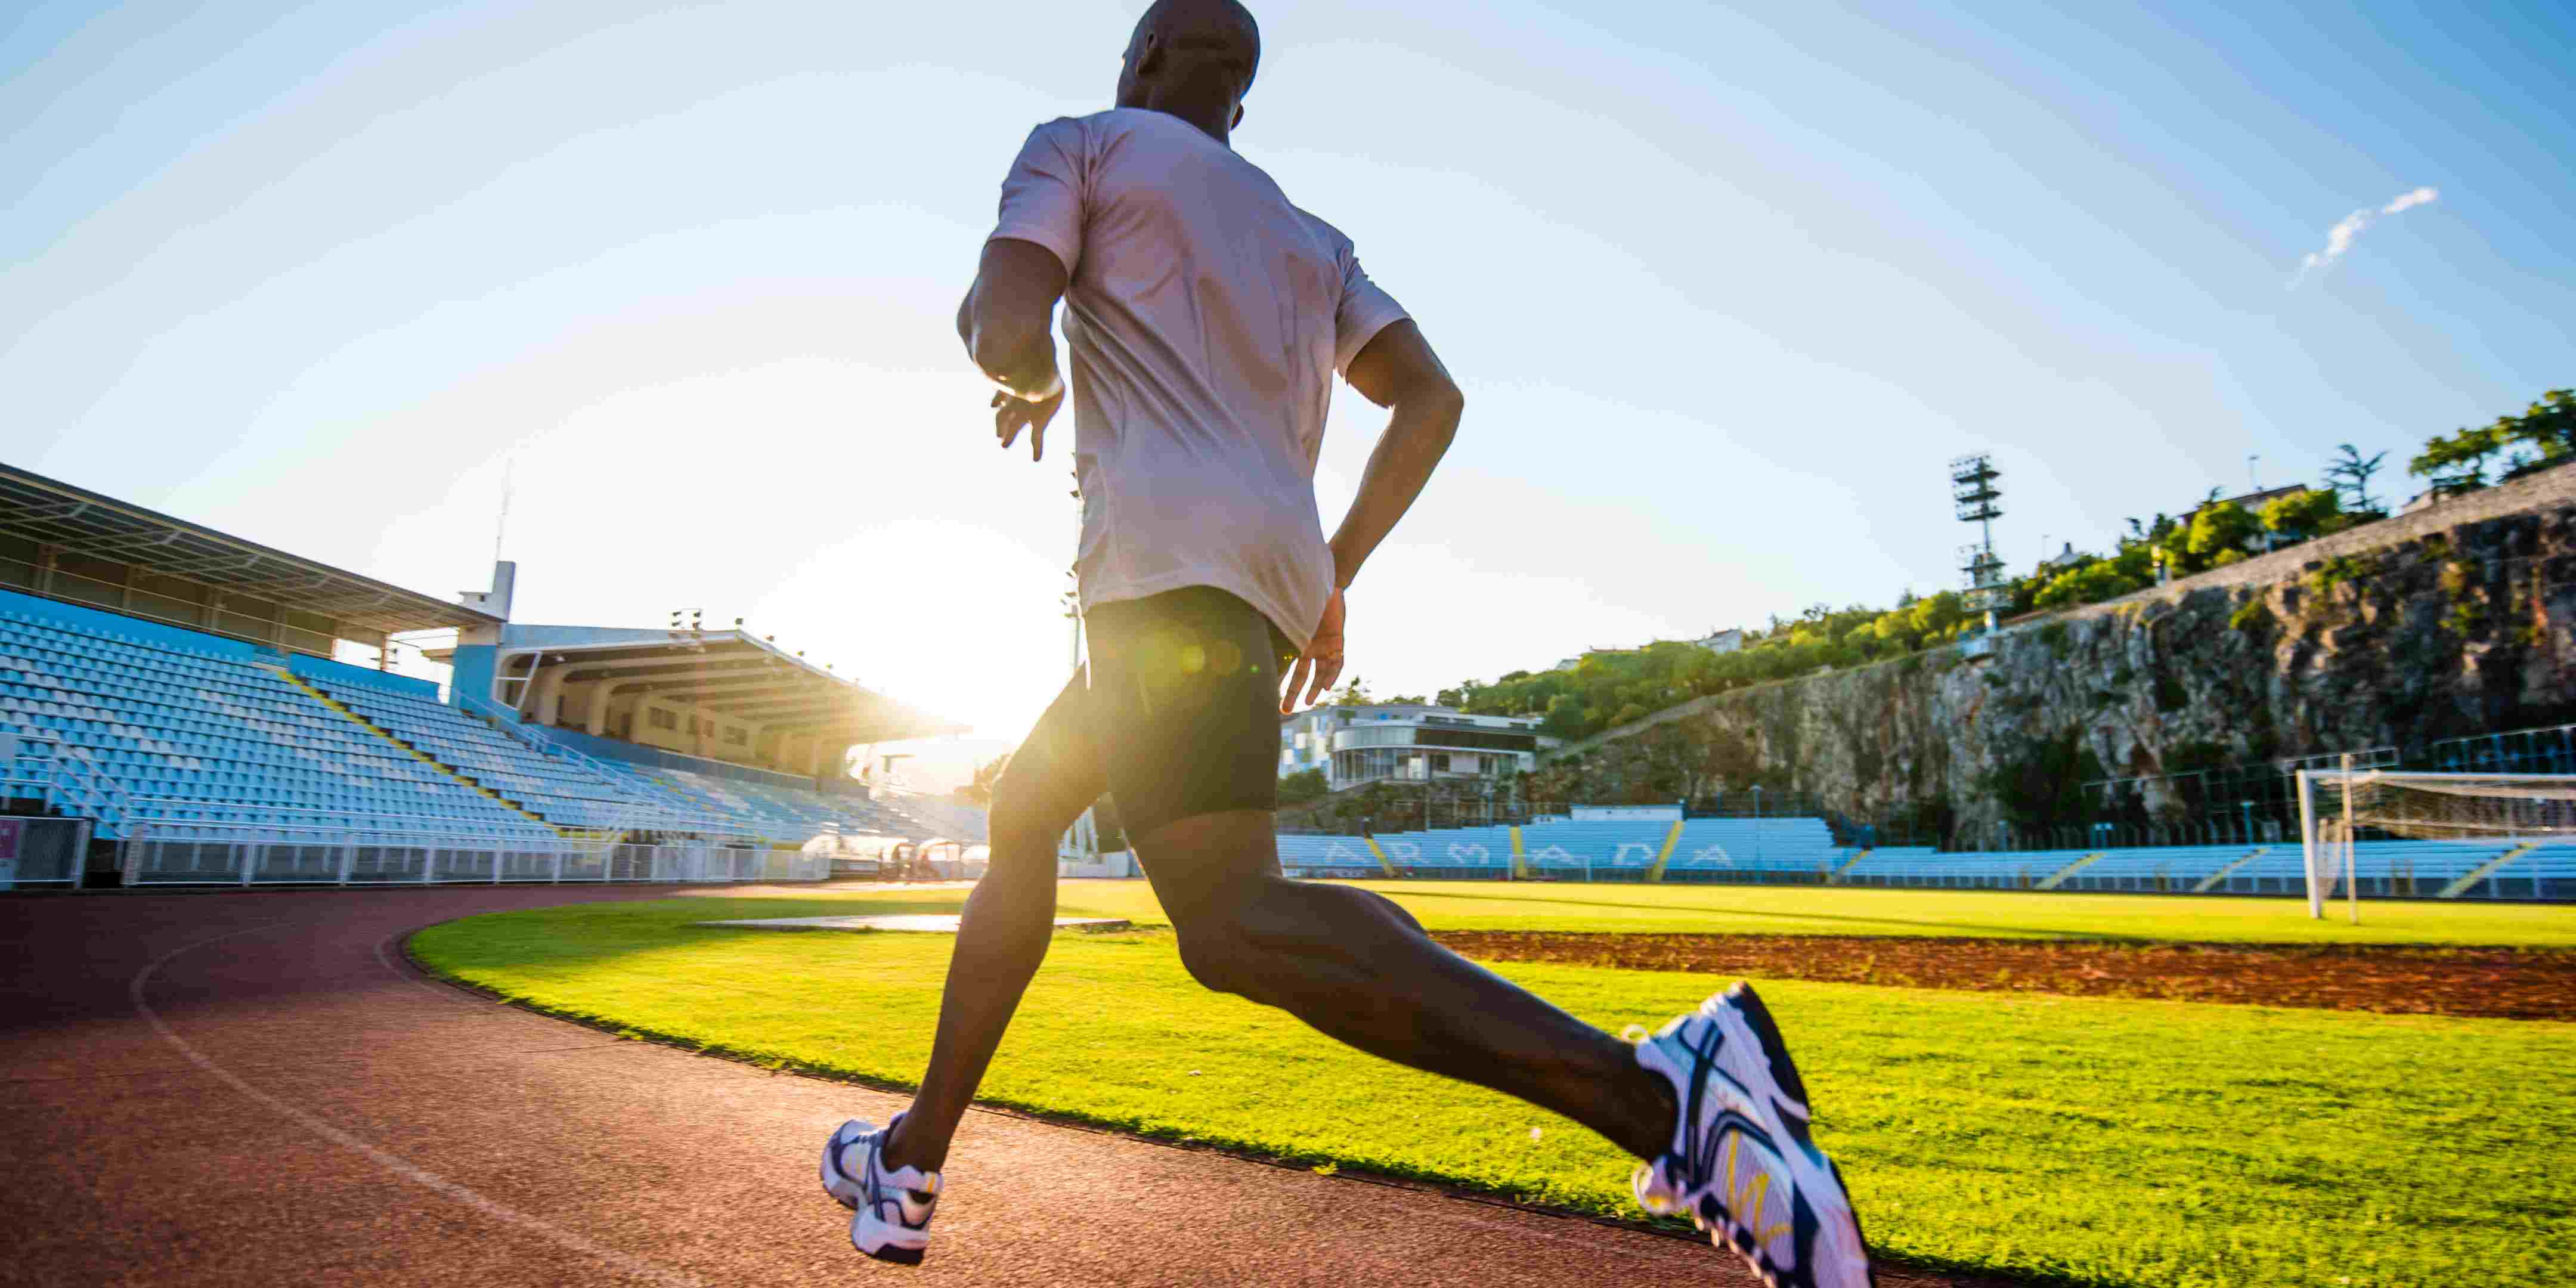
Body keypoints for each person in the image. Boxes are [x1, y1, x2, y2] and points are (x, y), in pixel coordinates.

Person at [818, 4, 1872, 1283]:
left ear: (1137, 61)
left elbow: (1001, 330)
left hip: (1159, 579)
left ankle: (1667, 1100)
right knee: (1030, 807)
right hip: (1247, 589)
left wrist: (1029, 383)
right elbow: (1433, 396)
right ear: (1242, 102)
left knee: (1229, 922)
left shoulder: (1080, 146)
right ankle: (913, 1159)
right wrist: (1333, 574)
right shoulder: (1312, 241)